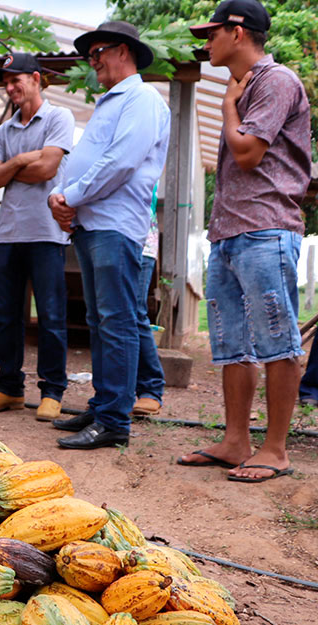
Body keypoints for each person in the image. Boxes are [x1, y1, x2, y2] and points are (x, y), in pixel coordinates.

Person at [179, 0, 310, 482]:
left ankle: (275, 449)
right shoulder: (247, 84)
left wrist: (230, 106)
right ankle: (236, 441)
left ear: (237, 32)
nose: (205, 42)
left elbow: (249, 153)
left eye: (211, 33)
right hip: (231, 233)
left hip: (266, 230)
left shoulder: (274, 82)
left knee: (278, 342)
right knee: (232, 345)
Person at [46, 22, 170, 449]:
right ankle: (104, 406)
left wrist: (71, 195)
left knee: (115, 321)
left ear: (123, 51)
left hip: (115, 225)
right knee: (101, 321)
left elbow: (121, 161)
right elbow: (95, 158)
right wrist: (64, 199)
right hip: (95, 223)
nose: (92, 60)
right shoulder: (113, 101)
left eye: (97, 51)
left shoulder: (142, 99)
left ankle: (115, 420)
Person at [0, 52, 74, 421]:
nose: (10, 87)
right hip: (11, 232)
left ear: (35, 77)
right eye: (6, 82)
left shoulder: (58, 116)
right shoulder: (5, 130)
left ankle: (52, 390)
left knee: (50, 313)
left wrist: (8, 169)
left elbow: (48, 167)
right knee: (7, 314)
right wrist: (19, 162)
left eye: (16, 80)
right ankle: (9, 387)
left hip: (46, 231)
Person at [133, 183, 166, 416]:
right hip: (104, 235)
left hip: (138, 238)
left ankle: (150, 389)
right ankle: (112, 392)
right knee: (105, 317)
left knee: (134, 313)